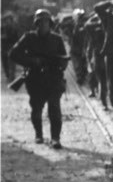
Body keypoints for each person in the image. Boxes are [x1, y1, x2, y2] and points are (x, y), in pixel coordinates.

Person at [8, 9, 69, 148]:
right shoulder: (28, 38)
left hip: (53, 78)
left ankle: (55, 138)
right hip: (35, 79)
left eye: (46, 22)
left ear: (50, 23)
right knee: (36, 109)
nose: (44, 25)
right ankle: (39, 135)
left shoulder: (57, 39)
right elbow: (13, 54)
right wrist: (32, 61)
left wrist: (62, 64)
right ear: (36, 23)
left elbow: (63, 57)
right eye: (41, 22)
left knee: (54, 108)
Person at [84, 13, 108, 107]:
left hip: (98, 57)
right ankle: (103, 99)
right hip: (101, 57)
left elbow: (87, 24)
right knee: (103, 81)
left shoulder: (93, 29)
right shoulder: (106, 27)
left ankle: (104, 100)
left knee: (101, 80)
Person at [1, 11, 21, 82]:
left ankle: (11, 78)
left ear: (11, 19)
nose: (6, 21)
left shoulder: (14, 27)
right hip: (4, 47)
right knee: (5, 62)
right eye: (5, 20)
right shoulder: (3, 27)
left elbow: (15, 37)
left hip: (11, 47)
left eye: (8, 19)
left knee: (11, 63)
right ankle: (8, 76)